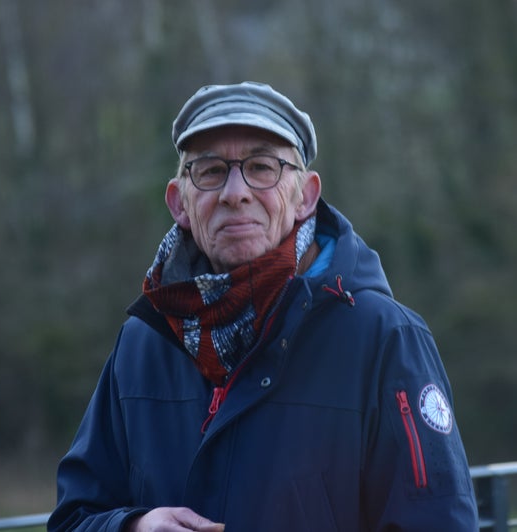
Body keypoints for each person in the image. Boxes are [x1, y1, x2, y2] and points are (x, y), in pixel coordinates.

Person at [48, 81, 479, 531]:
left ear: (305, 197)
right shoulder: (142, 344)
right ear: (179, 203)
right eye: (210, 171)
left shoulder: (385, 338)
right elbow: (74, 517)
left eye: (262, 167)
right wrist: (133, 527)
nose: (235, 192)